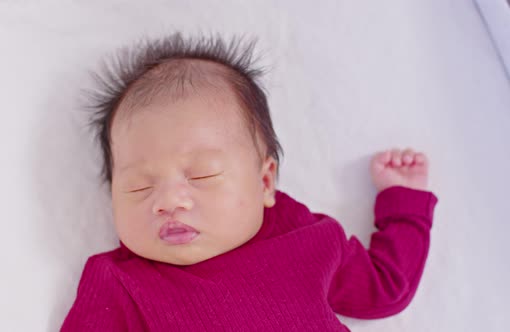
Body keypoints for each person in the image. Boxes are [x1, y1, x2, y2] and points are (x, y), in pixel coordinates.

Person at [60, 32, 439, 331]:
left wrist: (403, 201)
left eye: (202, 174)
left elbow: (385, 288)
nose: (170, 201)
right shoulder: (121, 285)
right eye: (139, 187)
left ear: (264, 182)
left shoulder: (304, 240)